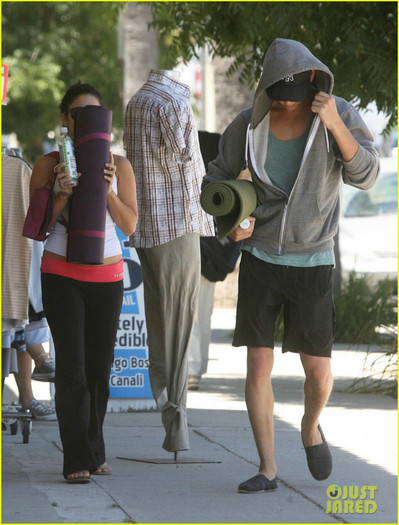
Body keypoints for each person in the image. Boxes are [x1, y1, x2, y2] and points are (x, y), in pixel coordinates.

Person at [204, 38, 380, 493]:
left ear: (313, 83)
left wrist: (335, 122)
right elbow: (216, 180)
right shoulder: (248, 124)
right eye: (278, 93)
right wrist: (233, 220)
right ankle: (268, 467)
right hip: (261, 256)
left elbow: (366, 174)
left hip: (314, 257)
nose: (285, 102)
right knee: (257, 366)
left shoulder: (334, 113)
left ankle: (310, 426)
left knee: (318, 373)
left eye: (295, 94)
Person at [30, 82, 138, 483]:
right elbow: (37, 229)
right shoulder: (47, 164)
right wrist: (61, 193)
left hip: (107, 275)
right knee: (72, 369)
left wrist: (107, 191)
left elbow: (129, 225)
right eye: (78, 114)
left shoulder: (120, 166)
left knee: (99, 369)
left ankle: (95, 451)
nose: (85, 122)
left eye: (95, 114)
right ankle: (76, 458)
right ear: (65, 120)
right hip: (61, 273)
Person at [124, 70, 214, 453]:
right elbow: (188, 163)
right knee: (180, 325)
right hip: (177, 224)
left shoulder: (137, 102)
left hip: (146, 227)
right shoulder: (174, 103)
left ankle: (164, 399)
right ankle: (177, 427)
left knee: (161, 323)